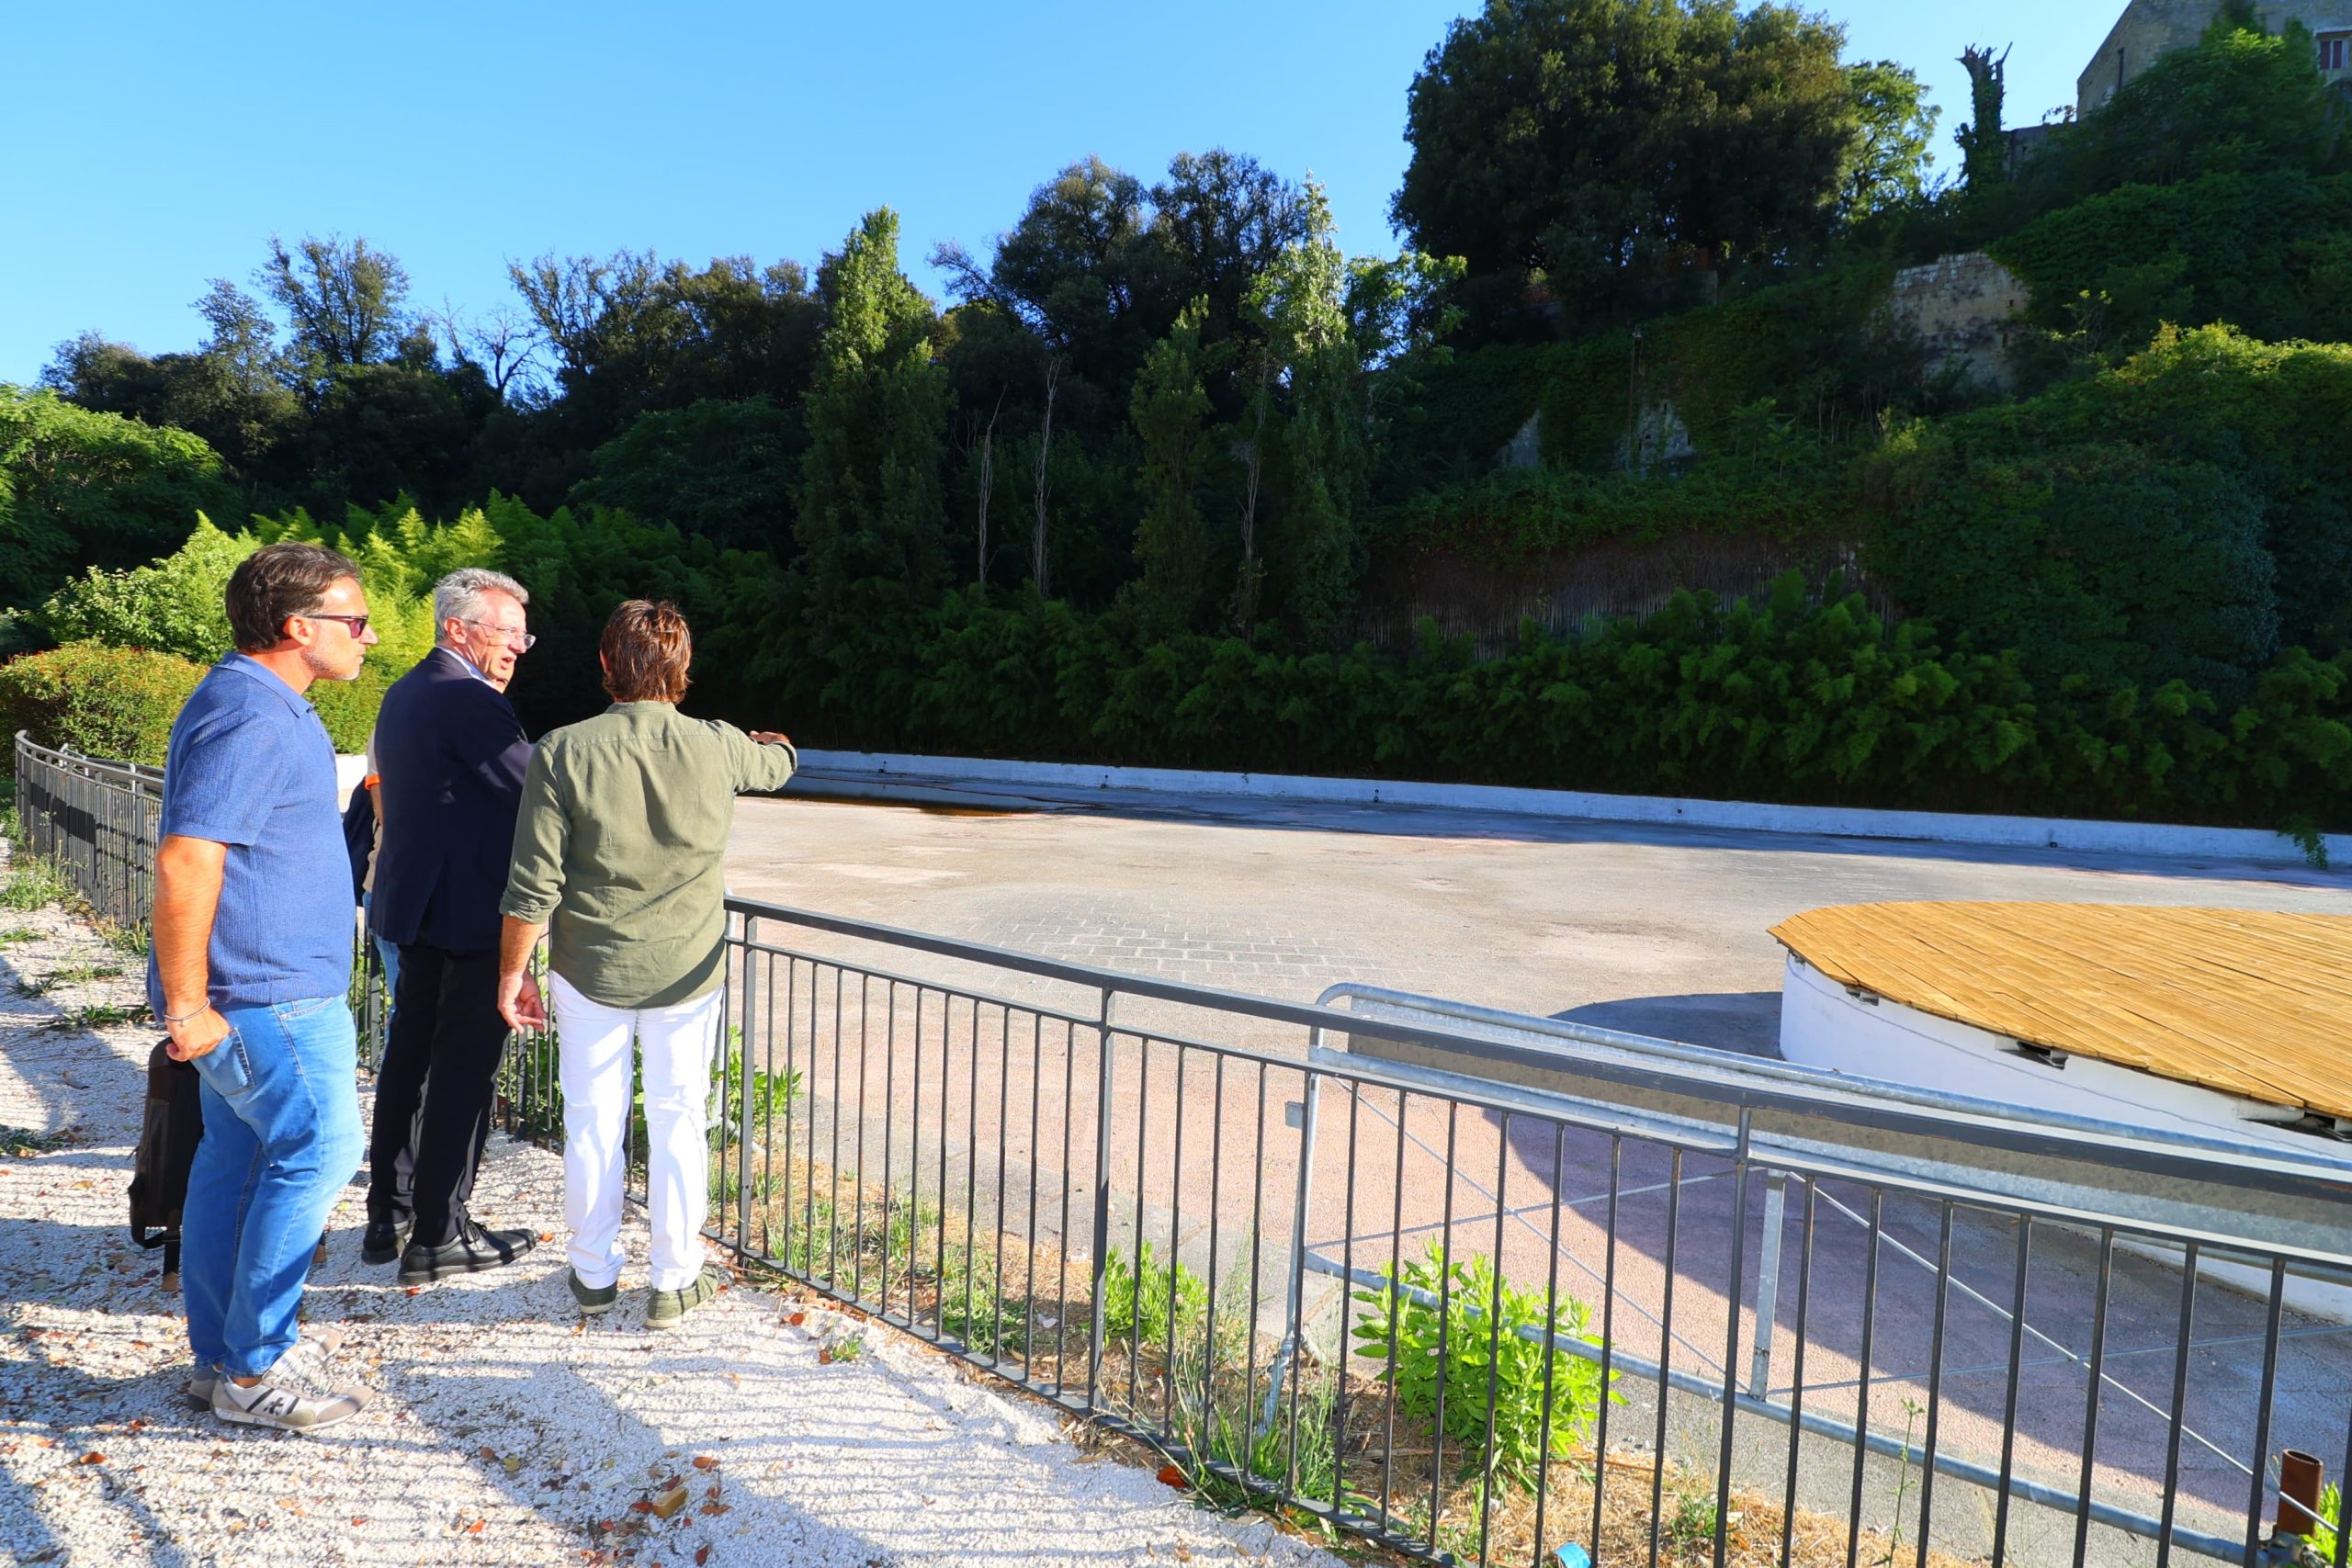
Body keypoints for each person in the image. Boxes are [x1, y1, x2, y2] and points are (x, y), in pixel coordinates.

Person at [495, 601, 796, 1329]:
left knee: (591, 1123)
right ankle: (673, 1278)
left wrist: (512, 973)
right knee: (679, 1119)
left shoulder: (562, 751)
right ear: (683, 669)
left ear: (605, 664)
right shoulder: (718, 745)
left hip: (588, 969)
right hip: (686, 974)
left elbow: (533, 886)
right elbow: (778, 766)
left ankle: (593, 1274)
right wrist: (777, 742)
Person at [153, 541, 379, 1432]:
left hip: (261, 995)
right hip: (269, 998)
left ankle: (222, 1360)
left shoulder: (260, 701)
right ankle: (253, 1369)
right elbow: (187, 858)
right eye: (354, 620)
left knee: (236, 1164)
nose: (367, 636)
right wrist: (186, 1006)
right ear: (298, 627)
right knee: (319, 1152)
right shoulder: (250, 712)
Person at [364, 568, 538, 1283]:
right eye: (507, 631)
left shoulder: (406, 690)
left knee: (408, 1061)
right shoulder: (469, 699)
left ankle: (389, 1212)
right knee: (463, 1072)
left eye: (524, 634)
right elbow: (540, 795)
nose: (518, 646)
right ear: (457, 628)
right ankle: (439, 1233)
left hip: (413, 907)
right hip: (468, 916)